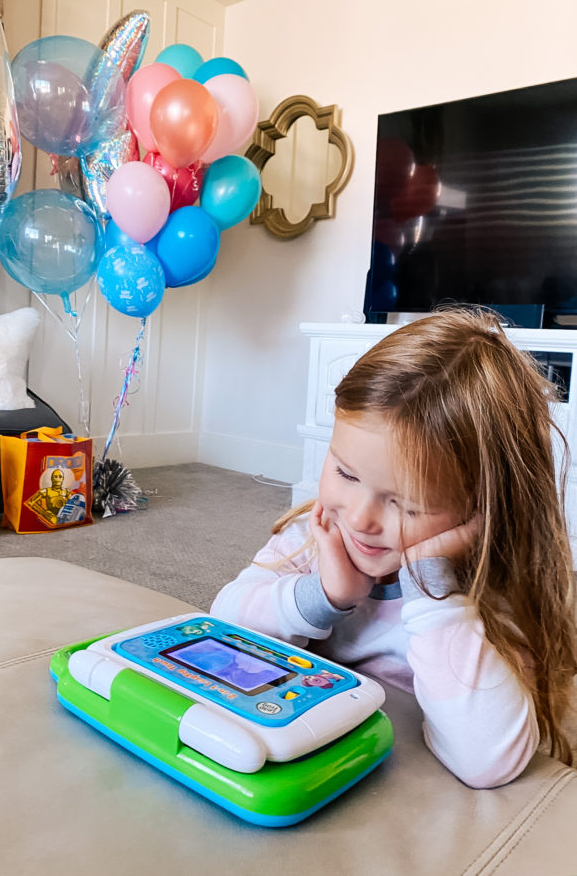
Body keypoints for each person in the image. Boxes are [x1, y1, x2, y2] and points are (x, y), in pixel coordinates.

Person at [211, 308, 577, 788]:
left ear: (482, 509)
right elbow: (221, 626)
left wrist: (433, 589)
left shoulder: (491, 588)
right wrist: (322, 596)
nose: (360, 518)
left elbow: (487, 761)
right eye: (345, 473)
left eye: (407, 505)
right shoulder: (318, 533)